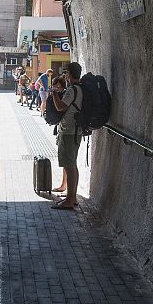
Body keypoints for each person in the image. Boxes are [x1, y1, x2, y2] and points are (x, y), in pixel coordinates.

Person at [49, 62, 83, 209]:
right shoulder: (80, 88)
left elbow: (60, 107)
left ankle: (70, 200)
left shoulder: (71, 90)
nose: (65, 76)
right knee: (72, 165)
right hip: (74, 132)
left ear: (69, 74)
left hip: (69, 132)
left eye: (66, 73)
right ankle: (72, 197)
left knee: (69, 166)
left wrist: (54, 93)